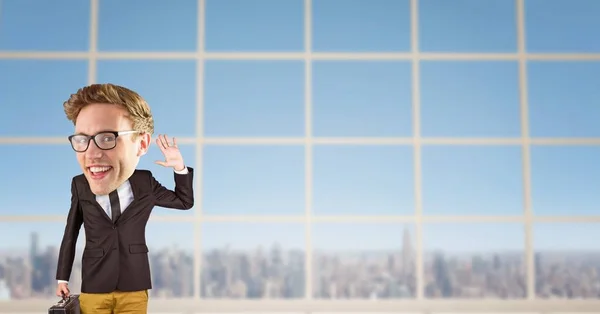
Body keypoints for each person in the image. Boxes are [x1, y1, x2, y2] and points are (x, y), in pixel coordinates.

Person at [54, 83, 194, 313]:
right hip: (95, 283)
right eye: (82, 140)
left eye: (107, 138)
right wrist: (62, 278)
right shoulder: (80, 185)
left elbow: (184, 202)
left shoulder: (144, 183)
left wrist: (179, 168)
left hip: (133, 283)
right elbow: (70, 234)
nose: (91, 153)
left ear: (142, 143)